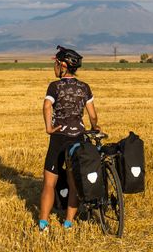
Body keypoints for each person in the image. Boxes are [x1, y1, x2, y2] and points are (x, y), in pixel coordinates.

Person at [38, 45, 100, 232]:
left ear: (63, 65)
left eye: (56, 63)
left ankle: (43, 224)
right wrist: (95, 127)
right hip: (79, 138)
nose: (55, 67)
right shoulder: (84, 87)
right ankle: (68, 223)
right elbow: (93, 115)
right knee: (74, 183)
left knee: (50, 182)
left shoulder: (54, 86)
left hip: (59, 138)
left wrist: (49, 127)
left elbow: (47, 106)